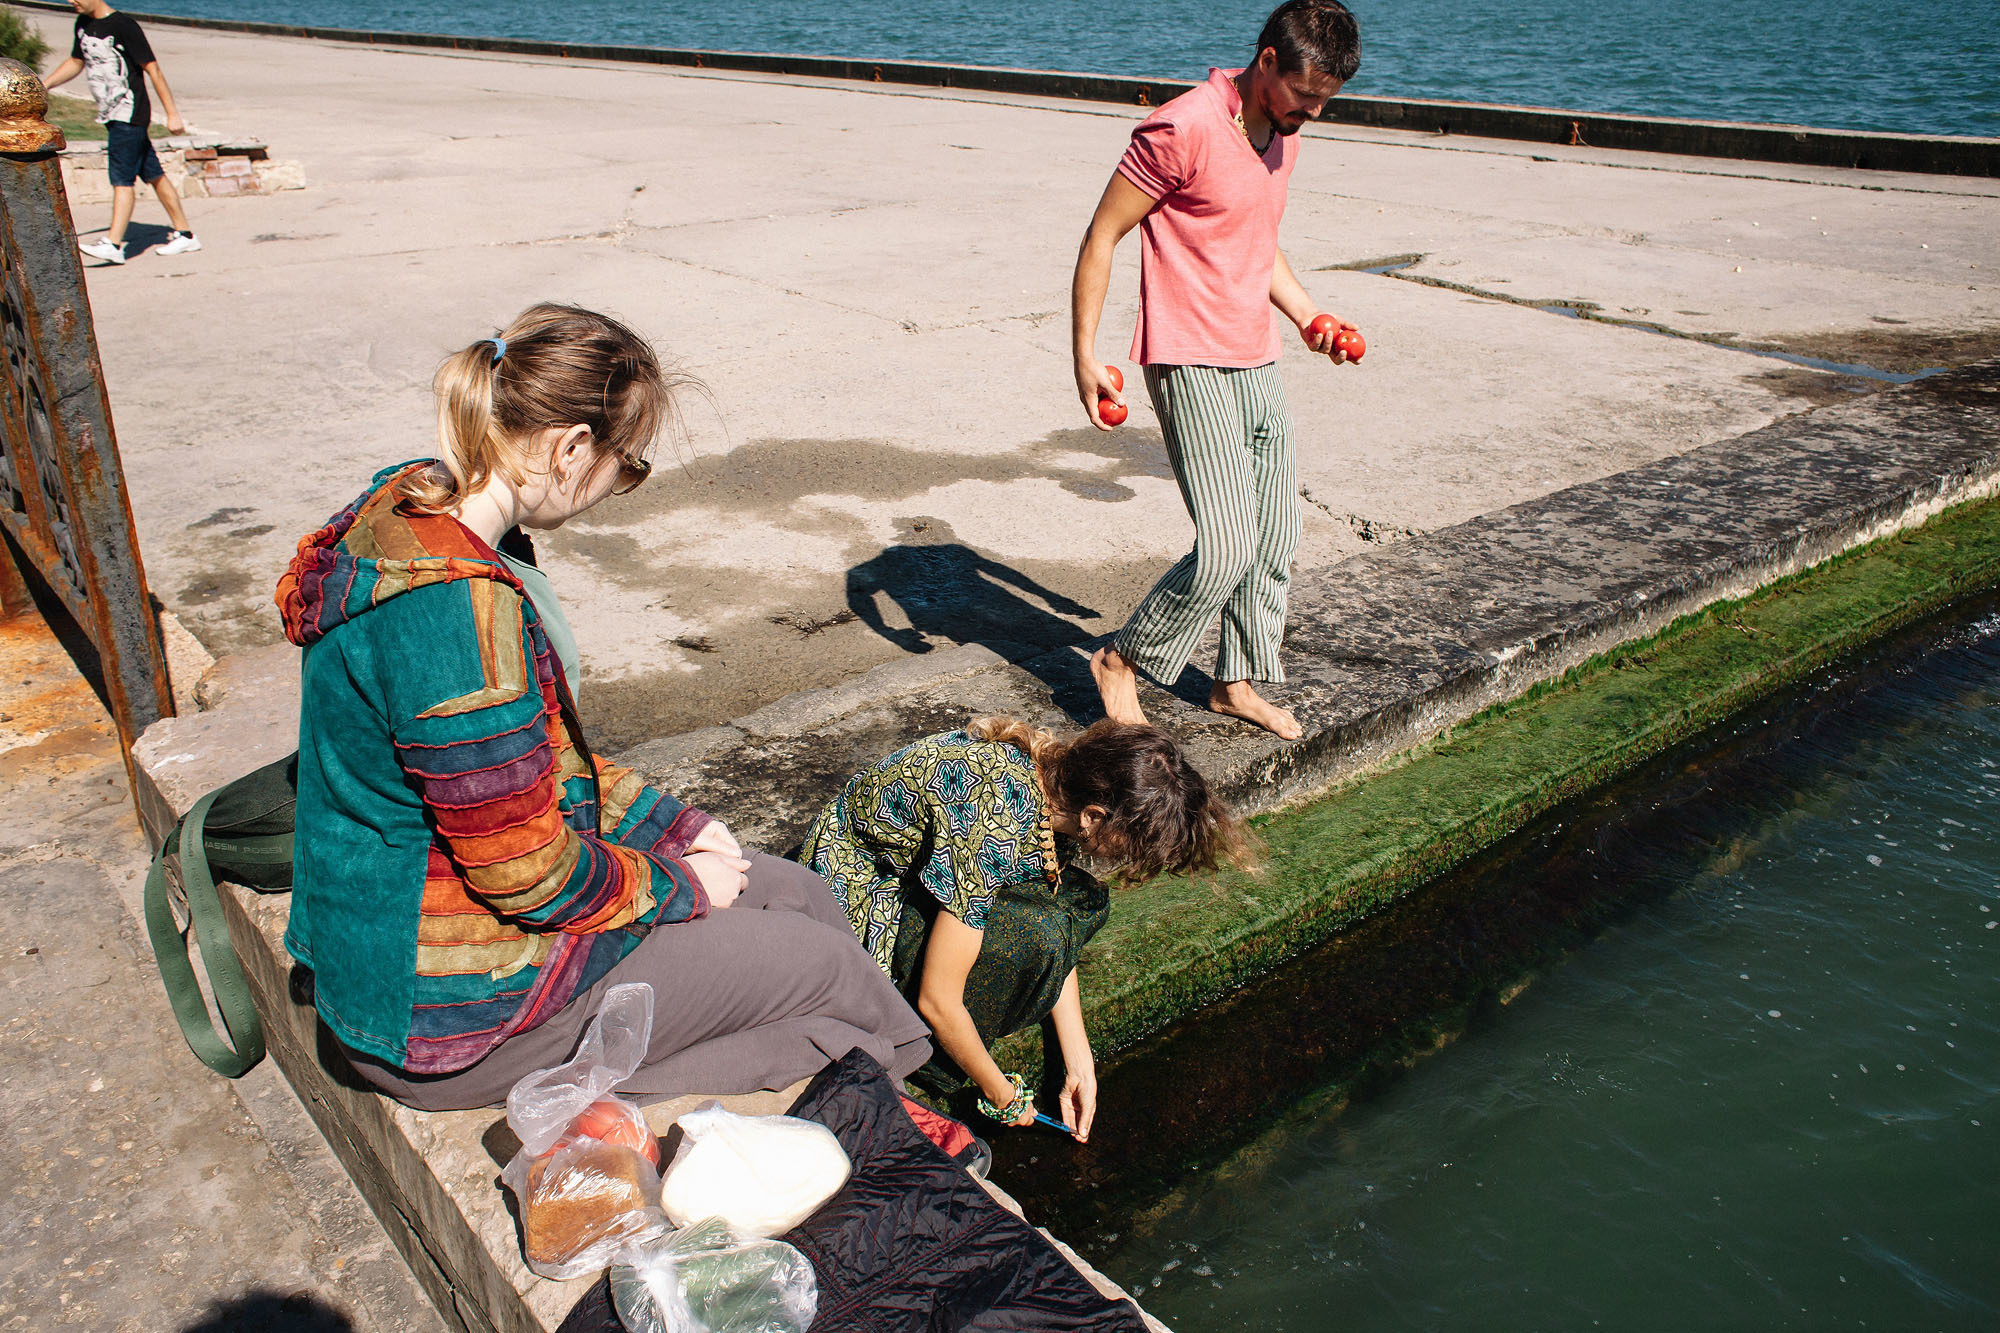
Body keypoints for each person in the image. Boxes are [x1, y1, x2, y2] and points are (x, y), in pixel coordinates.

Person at [276, 303, 931, 1111]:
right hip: (450, 1014)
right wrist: (678, 884)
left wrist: (674, 827)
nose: (619, 487)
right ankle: (900, 1113)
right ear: (571, 447)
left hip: (405, 969)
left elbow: (529, 758)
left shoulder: (410, 512)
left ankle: (862, 1074)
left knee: (797, 892)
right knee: (829, 974)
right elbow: (528, 875)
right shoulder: (455, 616)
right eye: (627, 465)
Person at [1072, 0, 1363, 741]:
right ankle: (1121, 660)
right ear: (1267, 61)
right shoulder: (1182, 127)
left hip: (1255, 353)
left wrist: (1309, 316)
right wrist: (1085, 355)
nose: (1313, 113)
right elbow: (1102, 235)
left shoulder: (1283, 133)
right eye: (1305, 94)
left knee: (1275, 533)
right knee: (1227, 545)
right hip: (1188, 356)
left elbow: (1256, 240)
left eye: (1325, 100)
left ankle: (1234, 682)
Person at [799, 716, 1254, 1142]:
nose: (1131, 858)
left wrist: (1079, 1059)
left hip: (921, 870)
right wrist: (1000, 1092)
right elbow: (937, 1000)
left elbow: (1056, 905)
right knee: (1032, 938)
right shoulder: (995, 819)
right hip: (859, 896)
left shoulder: (1057, 790)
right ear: (1094, 815)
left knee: (1081, 903)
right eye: (1133, 844)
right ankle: (930, 1064)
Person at [44, 0, 201, 265]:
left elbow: (153, 69)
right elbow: (76, 61)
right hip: (111, 114)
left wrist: (172, 113)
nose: (70, 1)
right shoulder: (83, 23)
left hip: (129, 114)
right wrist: (45, 84)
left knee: (122, 179)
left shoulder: (124, 26)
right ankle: (186, 235)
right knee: (154, 174)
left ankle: (114, 244)